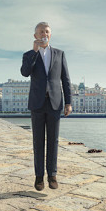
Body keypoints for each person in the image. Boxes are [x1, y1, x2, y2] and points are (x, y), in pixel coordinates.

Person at [20, 22, 72, 191]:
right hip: (37, 103)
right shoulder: (29, 54)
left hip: (55, 103)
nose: (44, 34)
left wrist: (68, 102)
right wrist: (34, 52)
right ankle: (38, 177)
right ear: (35, 36)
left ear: (50, 35)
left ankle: (52, 175)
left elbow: (66, 79)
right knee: (38, 141)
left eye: (47, 31)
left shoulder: (59, 54)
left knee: (53, 140)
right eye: (41, 32)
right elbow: (25, 72)